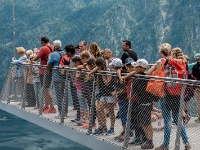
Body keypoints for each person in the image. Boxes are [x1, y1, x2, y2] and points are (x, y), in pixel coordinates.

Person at [123, 59, 154, 149]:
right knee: (144, 123)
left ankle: (149, 141)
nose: (135, 68)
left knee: (147, 123)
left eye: (136, 67)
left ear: (142, 67)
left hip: (145, 102)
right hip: (141, 102)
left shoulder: (144, 77)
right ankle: (148, 140)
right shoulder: (138, 75)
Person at [32, 36, 56, 113]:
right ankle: (46, 105)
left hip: (44, 72)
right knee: (46, 89)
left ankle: (52, 107)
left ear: (42, 42)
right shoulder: (53, 47)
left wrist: (35, 53)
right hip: (51, 71)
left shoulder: (43, 48)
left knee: (46, 90)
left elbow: (35, 58)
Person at [92, 57, 116, 135]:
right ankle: (102, 126)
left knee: (111, 110)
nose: (97, 68)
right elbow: (97, 83)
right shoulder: (99, 72)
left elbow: (107, 82)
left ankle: (112, 128)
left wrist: (102, 74)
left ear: (101, 65)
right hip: (102, 93)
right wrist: (98, 75)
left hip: (110, 93)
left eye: (98, 66)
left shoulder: (108, 71)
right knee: (99, 109)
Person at [47, 40, 67, 118]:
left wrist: (49, 58)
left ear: (54, 47)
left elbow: (48, 65)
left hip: (57, 77)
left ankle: (61, 113)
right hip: (65, 76)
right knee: (64, 95)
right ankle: (65, 112)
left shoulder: (54, 54)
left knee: (59, 96)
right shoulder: (64, 53)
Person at [72, 56, 89, 125]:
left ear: (77, 62)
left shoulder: (80, 69)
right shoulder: (79, 69)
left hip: (82, 89)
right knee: (81, 104)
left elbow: (77, 76)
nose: (73, 64)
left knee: (85, 104)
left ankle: (86, 119)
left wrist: (77, 70)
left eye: (73, 63)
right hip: (78, 89)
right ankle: (82, 119)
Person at [192, 53, 200, 123]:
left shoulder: (195, 67)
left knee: (199, 102)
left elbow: (193, 75)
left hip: (197, 86)